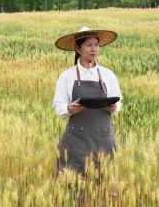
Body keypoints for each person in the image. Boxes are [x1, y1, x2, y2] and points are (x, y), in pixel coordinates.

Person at [53, 26, 123, 176]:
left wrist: (113, 108)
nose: (94, 49)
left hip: (104, 140)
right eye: (89, 45)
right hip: (76, 141)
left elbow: (118, 103)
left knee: (104, 187)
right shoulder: (67, 76)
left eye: (96, 45)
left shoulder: (108, 75)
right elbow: (58, 107)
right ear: (78, 49)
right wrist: (69, 109)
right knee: (73, 188)